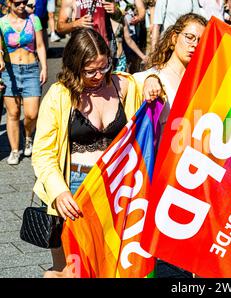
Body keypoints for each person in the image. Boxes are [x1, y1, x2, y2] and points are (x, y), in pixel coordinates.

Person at [31, 28, 142, 271]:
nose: (98, 76)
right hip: (75, 187)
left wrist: (153, 81)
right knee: (73, 267)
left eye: (103, 67)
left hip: (116, 186)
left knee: (110, 263)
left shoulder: (124, 85)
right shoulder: (60, 95)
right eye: (90, 70)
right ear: (74, 65)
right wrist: (59, 192)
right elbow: (43, 152)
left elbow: (156, 79)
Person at [134, 12, 206, 143]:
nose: (195, 44)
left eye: (201, 41)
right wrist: (149, 80)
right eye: (189, 37)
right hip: (158, 158)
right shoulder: (147, 77)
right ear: (174, 38)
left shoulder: (203, 83)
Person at [1, 0, 47, 165]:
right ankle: (14, 150)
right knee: (12, 113)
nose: (22, 5)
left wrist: (44, 67)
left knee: (31, 114)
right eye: (18, 2)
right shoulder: (2, 23)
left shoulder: (34, 20)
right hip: (9, 71)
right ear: (9, 2)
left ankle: (28, 137)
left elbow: (40, 46)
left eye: (24, 2)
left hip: (31, 70)